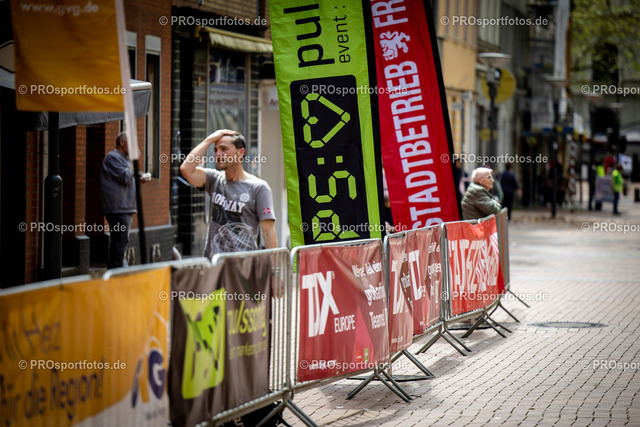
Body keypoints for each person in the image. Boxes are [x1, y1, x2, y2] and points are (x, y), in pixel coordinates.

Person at [180, 129, 278, 259]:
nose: (218, 154)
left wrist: (276, 268)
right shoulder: (214, 179)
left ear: (240, 152)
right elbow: (186, 169)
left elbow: (268, 232)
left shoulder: (259, 188)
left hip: (243, 266)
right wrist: (209, 139)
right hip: (214, 265)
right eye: (215, 150)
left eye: (224, 149)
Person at [100, 132, 146, 269]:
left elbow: (128, 177)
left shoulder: (123, 159)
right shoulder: (112, 157)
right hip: (118, 208)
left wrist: (139, 178)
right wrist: (133, 160)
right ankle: (119, 272)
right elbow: (125, 177)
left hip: (124, 207)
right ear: (122, 142)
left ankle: (115, 272)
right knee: (120, 243)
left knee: (119, 242)